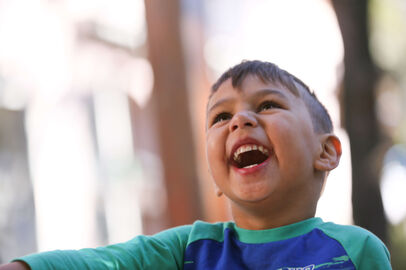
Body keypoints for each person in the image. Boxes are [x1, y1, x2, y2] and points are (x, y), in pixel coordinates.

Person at [0, 60, 391, 269]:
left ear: (326, 153)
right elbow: (108, 263)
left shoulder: (356, 250)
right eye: (221, 117)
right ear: (216, 176)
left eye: (268, 105)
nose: (239, 121)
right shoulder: (190, 249)